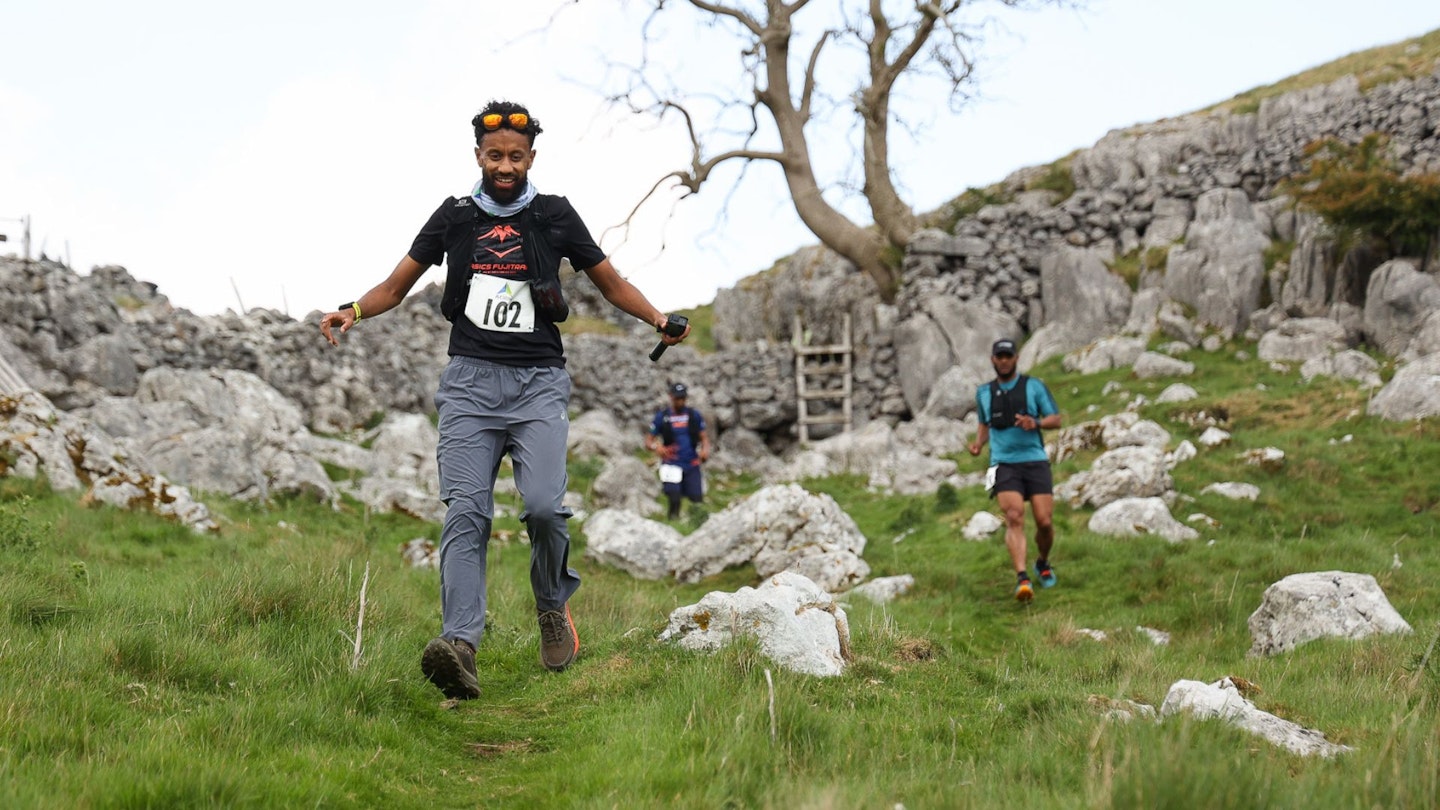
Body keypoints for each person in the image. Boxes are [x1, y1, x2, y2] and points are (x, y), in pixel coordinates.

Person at [319, 100, 690, 700]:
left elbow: (611, 282)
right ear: (478, 157)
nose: (505, 166)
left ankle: (552, 604)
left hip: (538, 384)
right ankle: (460, 646)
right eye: (495, 156)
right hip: (468, 385)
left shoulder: (554, 215)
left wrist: (656, 318)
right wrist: (353, 311)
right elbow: (395, 285)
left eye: (516, 157)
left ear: (531, 158)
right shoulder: (455, 217)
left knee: (543, 507)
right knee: (467, 513)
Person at [967, 338, 1062, 603]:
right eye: (1000, 356)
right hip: (1003, 463)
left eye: (1009, 356)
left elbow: (1056, 419)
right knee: (1014, 515)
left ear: (1016, 358)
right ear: (993, 360)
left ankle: (1042, 562)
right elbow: (985, 424)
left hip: (1034, 460)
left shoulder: (1034, 386)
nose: (1004, 360)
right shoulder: (984, 393)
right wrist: (978, 444)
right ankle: (1022, 578)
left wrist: (1036, 422)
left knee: (1044, 521)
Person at [645, 382, 711, 519]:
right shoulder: (662, 417)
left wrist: (705, 450)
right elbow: (648, 441)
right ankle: (673, 521)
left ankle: (696, 525)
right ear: (671, 397)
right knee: (674, 498)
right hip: (671, 463)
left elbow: (704, 437)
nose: (680, 401)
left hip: (691, 463)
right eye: (677, 398)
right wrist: (657, 447)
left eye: (682, 398)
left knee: (697, 500)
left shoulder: (694, 415)